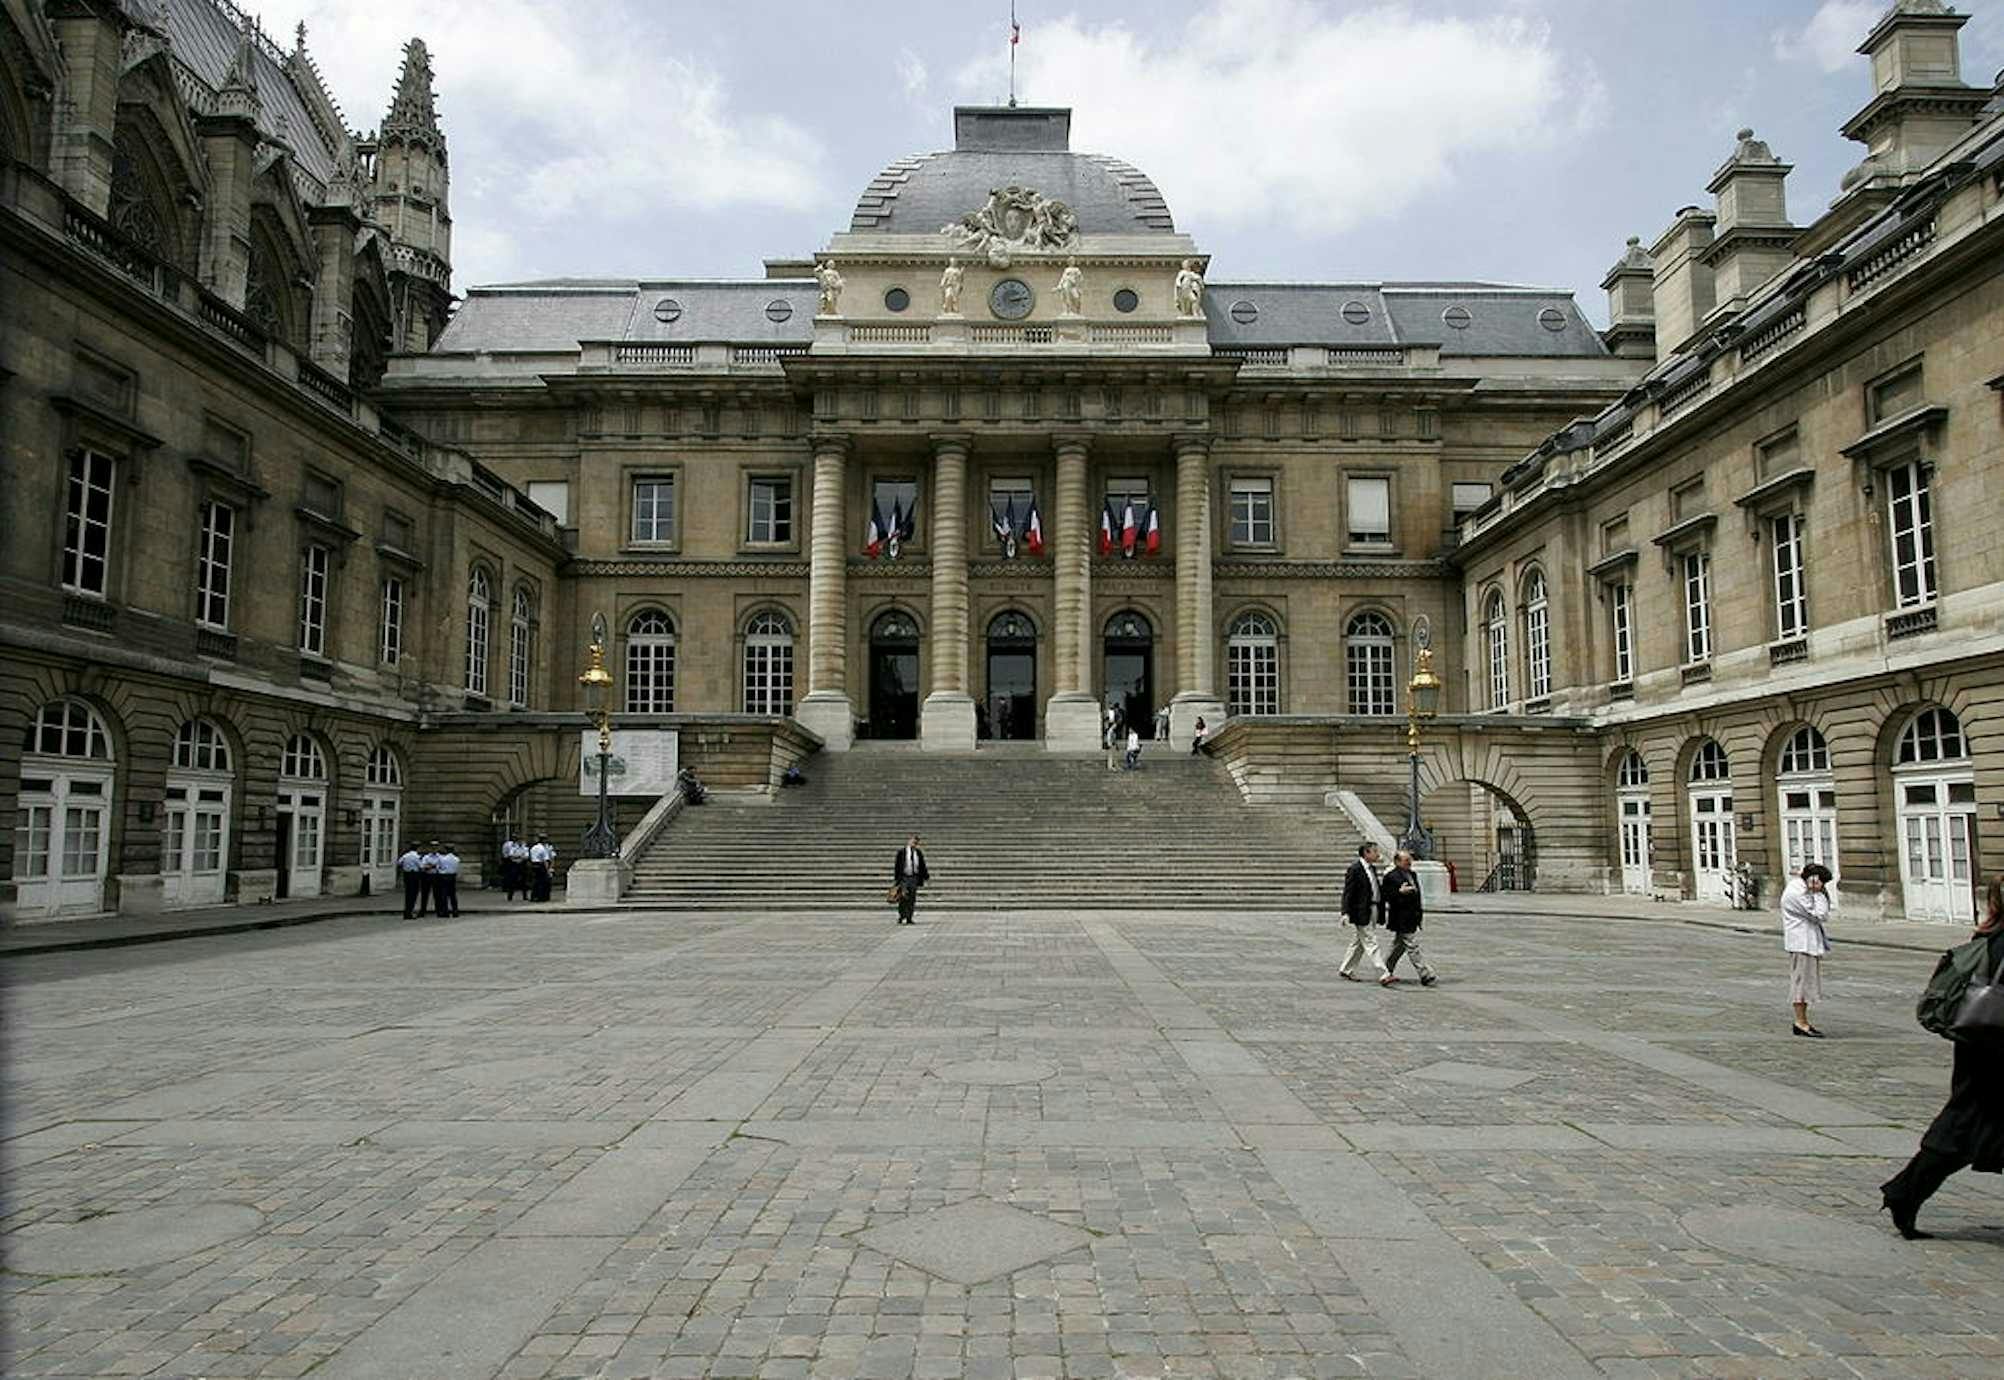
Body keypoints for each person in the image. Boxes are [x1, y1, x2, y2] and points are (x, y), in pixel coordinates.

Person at [1881, 877, 2004, 1240]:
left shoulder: (1986, 939)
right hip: (1994, 1046)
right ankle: (1904, 1192)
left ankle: (1905, 1192)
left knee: (1966, 1124)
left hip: (1977, 1040)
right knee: (1962, 1126)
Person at [1780, 862, 1834, 1037]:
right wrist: (1817, 893)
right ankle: (1800, 1022)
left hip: (1808, 942)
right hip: (1802, 943)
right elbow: (1821, 914)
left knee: (1805, 983)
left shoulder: (1802, 889)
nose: (1823, 887)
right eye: (1822, 883)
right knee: (1801, 983)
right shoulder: (1797, 893)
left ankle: (1802, 1021)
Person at [1381, 849, 1436, 987]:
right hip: (1401, 917)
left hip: (1412, 916)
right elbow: (1386, 896)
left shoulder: (1412, 874)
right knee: (1412, 946)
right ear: (1397, 862)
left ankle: (1384, 970)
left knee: (1398, 947)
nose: (1409, 863)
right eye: (1406, 861)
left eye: (1410, 860)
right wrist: (1399, 892)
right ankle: (1425, 973)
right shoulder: (1391, 876)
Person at [1336, 842, 1390, 982]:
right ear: (1366, 853)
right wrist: (1345, 912)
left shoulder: (1371, 868)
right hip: (1361, 911)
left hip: (1373, 908)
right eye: (1375, 851)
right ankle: (1383, 973)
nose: (1378, 854)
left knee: (1358, 942)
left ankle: (1346, 969)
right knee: (1370, 940)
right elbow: (1348, 892)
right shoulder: (1355, 869)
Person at [892, 833, 929, 925]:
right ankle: (901, 915)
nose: (914, 844)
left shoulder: (918, 853)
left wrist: (926, 876)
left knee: (912, 898)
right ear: (909, 841)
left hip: (914, 877)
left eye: (916, 843)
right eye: (913, 842)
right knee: (903, 897)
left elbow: (922, 865)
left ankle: (909, 917)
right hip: (904, 877)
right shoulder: (902, 852)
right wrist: (897, 879)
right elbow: (897, 866)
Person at [397, 842, 425, 919]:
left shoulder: (405, 856)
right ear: (418, 848)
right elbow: (421, 866)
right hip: (414, 875)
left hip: (407, 875)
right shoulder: (417, 857)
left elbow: (399, 863)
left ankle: (406, 912)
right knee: (413, 895)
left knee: (408, 894)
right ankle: (409, 912)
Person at [433, 844, 462, 917]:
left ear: (446, 850)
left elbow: (438, 867)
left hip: (444, 876)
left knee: (444, 895)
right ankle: (455, 911)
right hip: (452, 876)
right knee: (453, 895)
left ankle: (445, 912)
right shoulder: (456, 859)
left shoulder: (442, 859)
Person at [528, 834, 555, 902]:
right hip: (541, 865)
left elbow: (530, 857)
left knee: (535, 882)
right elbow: (545, 860)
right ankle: (541, 897)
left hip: (534, 864)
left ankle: (533, 896)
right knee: (543, 882)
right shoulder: (543, 848)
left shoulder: (533, 847)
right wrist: (547, 870)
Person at [500, 834, 526, 901]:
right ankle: (510, 896)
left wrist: (518, 857)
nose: (519, 841)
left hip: (522, 864)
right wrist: (519, 856)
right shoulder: (513, 846)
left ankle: (525, 896)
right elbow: (511, 855)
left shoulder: (524, 846)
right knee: (512, 880)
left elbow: (526, 856)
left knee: (524, 881)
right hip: (514, 864)